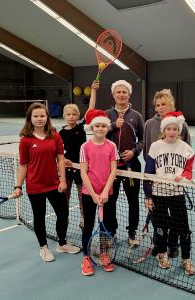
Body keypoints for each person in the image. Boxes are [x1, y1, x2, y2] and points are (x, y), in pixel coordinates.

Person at [13, 102, 80, 262]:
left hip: (54, 184)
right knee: (39, 217)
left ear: (47, 117)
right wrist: (18, 186)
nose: (39, 119)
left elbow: (61, 159)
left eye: (42, 115)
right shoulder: (26, 140)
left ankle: (62, 243)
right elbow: (23, 165)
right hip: (35, 186)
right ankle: (43, 247)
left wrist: (63, 181)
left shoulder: (54, 135)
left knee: (63, 214)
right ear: (30, 118)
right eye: (35, 116)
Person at [143, 111, 195, 276]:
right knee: (160, 227)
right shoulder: (155, 146)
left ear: (179, 130)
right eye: (168, 129)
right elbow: (147, 174)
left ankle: (186, 258)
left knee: (183, 228)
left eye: (175, 129)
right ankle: (162, 253)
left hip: (177, 194)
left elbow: (189, 170)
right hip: (158, 194)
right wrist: (148, 196)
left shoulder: (186, 148)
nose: (171, 132)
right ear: (164, 130)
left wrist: (185, 176)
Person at [105, 80, 144, 246]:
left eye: (124, 92)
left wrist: (134, 152)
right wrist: (113, 126)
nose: (121, 95)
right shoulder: (106, 115)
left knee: (133, 200)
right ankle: (111, 232)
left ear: (129, 94)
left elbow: (143, 140)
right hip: (111, 166)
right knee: (110, 202)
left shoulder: (137, 116)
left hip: (132, 166)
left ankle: (132, 232)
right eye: (118, 92)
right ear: (113, 95)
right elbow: (99, 134)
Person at [79, 109, 118, 276]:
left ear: (107, 127)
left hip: (106, 194)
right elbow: (83, 173)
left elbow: (113, 172)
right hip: (89, 194)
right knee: (88, 226)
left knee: (105, 226)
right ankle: (86, 257)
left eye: (103, 126)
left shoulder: (112, 146)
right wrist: (94, 195)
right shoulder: (85, 147)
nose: (100, 129)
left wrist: (104, 193)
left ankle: (103, 253)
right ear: (92, 128)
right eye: (97, 126)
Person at [59, 81, 98, 229]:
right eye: (68, 114)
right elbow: (58, 152)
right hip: (67, 169)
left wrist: (93, 90)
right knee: (65, 197)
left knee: (83, 197)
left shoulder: (81, 127)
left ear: (78, 116)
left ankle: (83, 219)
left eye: (74, 114)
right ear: (64, 116)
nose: (71, 116)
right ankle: (64, 219)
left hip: (82, 169)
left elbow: (91, 109)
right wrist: (63, 160)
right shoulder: (60, 133)